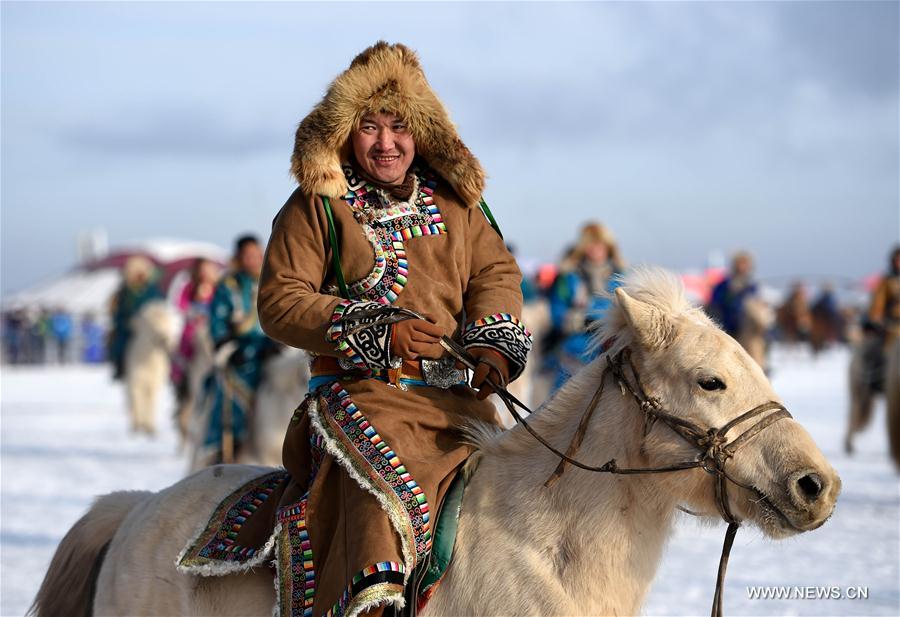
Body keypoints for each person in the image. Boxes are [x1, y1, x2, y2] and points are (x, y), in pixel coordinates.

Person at [256, 42, 531, 617]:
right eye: (369, 127)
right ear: (344, 135)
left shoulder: (459, 204)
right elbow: (281, 302)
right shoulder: (317, 207)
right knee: (387, 488)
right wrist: (379, 329)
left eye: (399, 126)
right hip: (362, 396)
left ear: (421, 130)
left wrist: (492, 343)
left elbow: (495, 272)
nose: (386, 143)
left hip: (459, 399)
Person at [199, 235, 276, 464]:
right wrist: (229, 347)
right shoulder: (228, 286)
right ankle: (228, 448)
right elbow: (217, 323)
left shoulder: (273, 282)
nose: (253, 260)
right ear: (239, 258)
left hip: (273, 350)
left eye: (256, 255)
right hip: (240, 354)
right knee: (231, 398)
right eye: (247, 255)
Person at [545, 222, 624, 388]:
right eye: (590, 243)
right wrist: (577, 320)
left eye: (599, 244)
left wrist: (597, 319)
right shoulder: (568, 277)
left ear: (608, 246)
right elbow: (556, 311)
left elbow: (627, 312)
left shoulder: (621, 279)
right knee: (563, 405)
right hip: (575, 349)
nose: (595, 248)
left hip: (612, 351)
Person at [171, 258, 219, 402]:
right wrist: (192, 311)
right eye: (202, 270)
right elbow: (180, 304)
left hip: (211, 328)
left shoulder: (217, 288)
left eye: (208, 270)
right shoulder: (189, 287)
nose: (205, 273)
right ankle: (181, 380)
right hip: (192, 329)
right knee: (185, 350)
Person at [106, 256, 163, 379]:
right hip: (129, 329)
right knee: (121, 341)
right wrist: (125, 321)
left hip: (149, 329)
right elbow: (118, 312)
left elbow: (158, 308)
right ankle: (120, 364)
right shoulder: (124, 292)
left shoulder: (152, 290)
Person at [707, 250, 759, 339]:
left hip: (746, 329)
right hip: (727, 326)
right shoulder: (725, 285)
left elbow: (754, 303)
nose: (742, 267)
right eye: (740, 264)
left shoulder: (751, 287)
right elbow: (715, 301)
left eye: (745, 264)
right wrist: (731, 294)